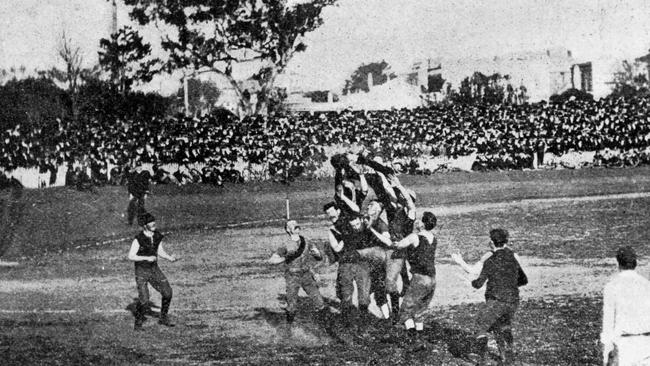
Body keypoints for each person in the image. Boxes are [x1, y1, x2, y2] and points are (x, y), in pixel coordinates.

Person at [451, 228, 528, 365]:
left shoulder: (489, 260)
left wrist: (461, 265)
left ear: (492, 242)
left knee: (481, 327)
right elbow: (523, 280)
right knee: (503, 326)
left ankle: (483, 361)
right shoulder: (513, 256)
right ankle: (507, 358)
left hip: (497, 300)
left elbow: (478, 283)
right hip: (514, 300)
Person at [383, 211, 438, 337]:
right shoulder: (434, 239)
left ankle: (414, 339)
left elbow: (398, 245)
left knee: (405, 311)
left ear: (423, 224)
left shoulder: (415, 236)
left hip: (420, 279)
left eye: (420, 220)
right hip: (432, 279)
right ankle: (420, 337)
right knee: (420, 311)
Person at [268, 220, 329, 325]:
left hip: (306, 274)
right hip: (292, 276)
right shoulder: (285, 245)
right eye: (292, 225)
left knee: (319, 300)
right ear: (288, 229)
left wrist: (317, 256)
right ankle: (288, 327)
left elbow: (318, 256)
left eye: (296, 224)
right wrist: (284, 259)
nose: (296, 226)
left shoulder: (307, 241)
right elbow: (272, 260)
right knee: (291, 305)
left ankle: (325, 325)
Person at [601, 246, 650, 366]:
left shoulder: (612, 286)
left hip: (624, 347)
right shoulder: (646, 285)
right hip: (646, 343)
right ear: (635, 263)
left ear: (618, 263)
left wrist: (606, 353)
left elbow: (608, 321)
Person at [128, 212, 178, 330]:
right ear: (145, 225)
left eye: (153, 221)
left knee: (167, 293)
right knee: (144, 300)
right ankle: (138, 323)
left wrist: (170, 258)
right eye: (151, 222)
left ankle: (163, 317)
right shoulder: (138, 239)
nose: (154, 223)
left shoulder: (156, 235)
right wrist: (146, 258)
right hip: (142, 271)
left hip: (154, 269)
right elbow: (131, 256)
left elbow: (159, 251)